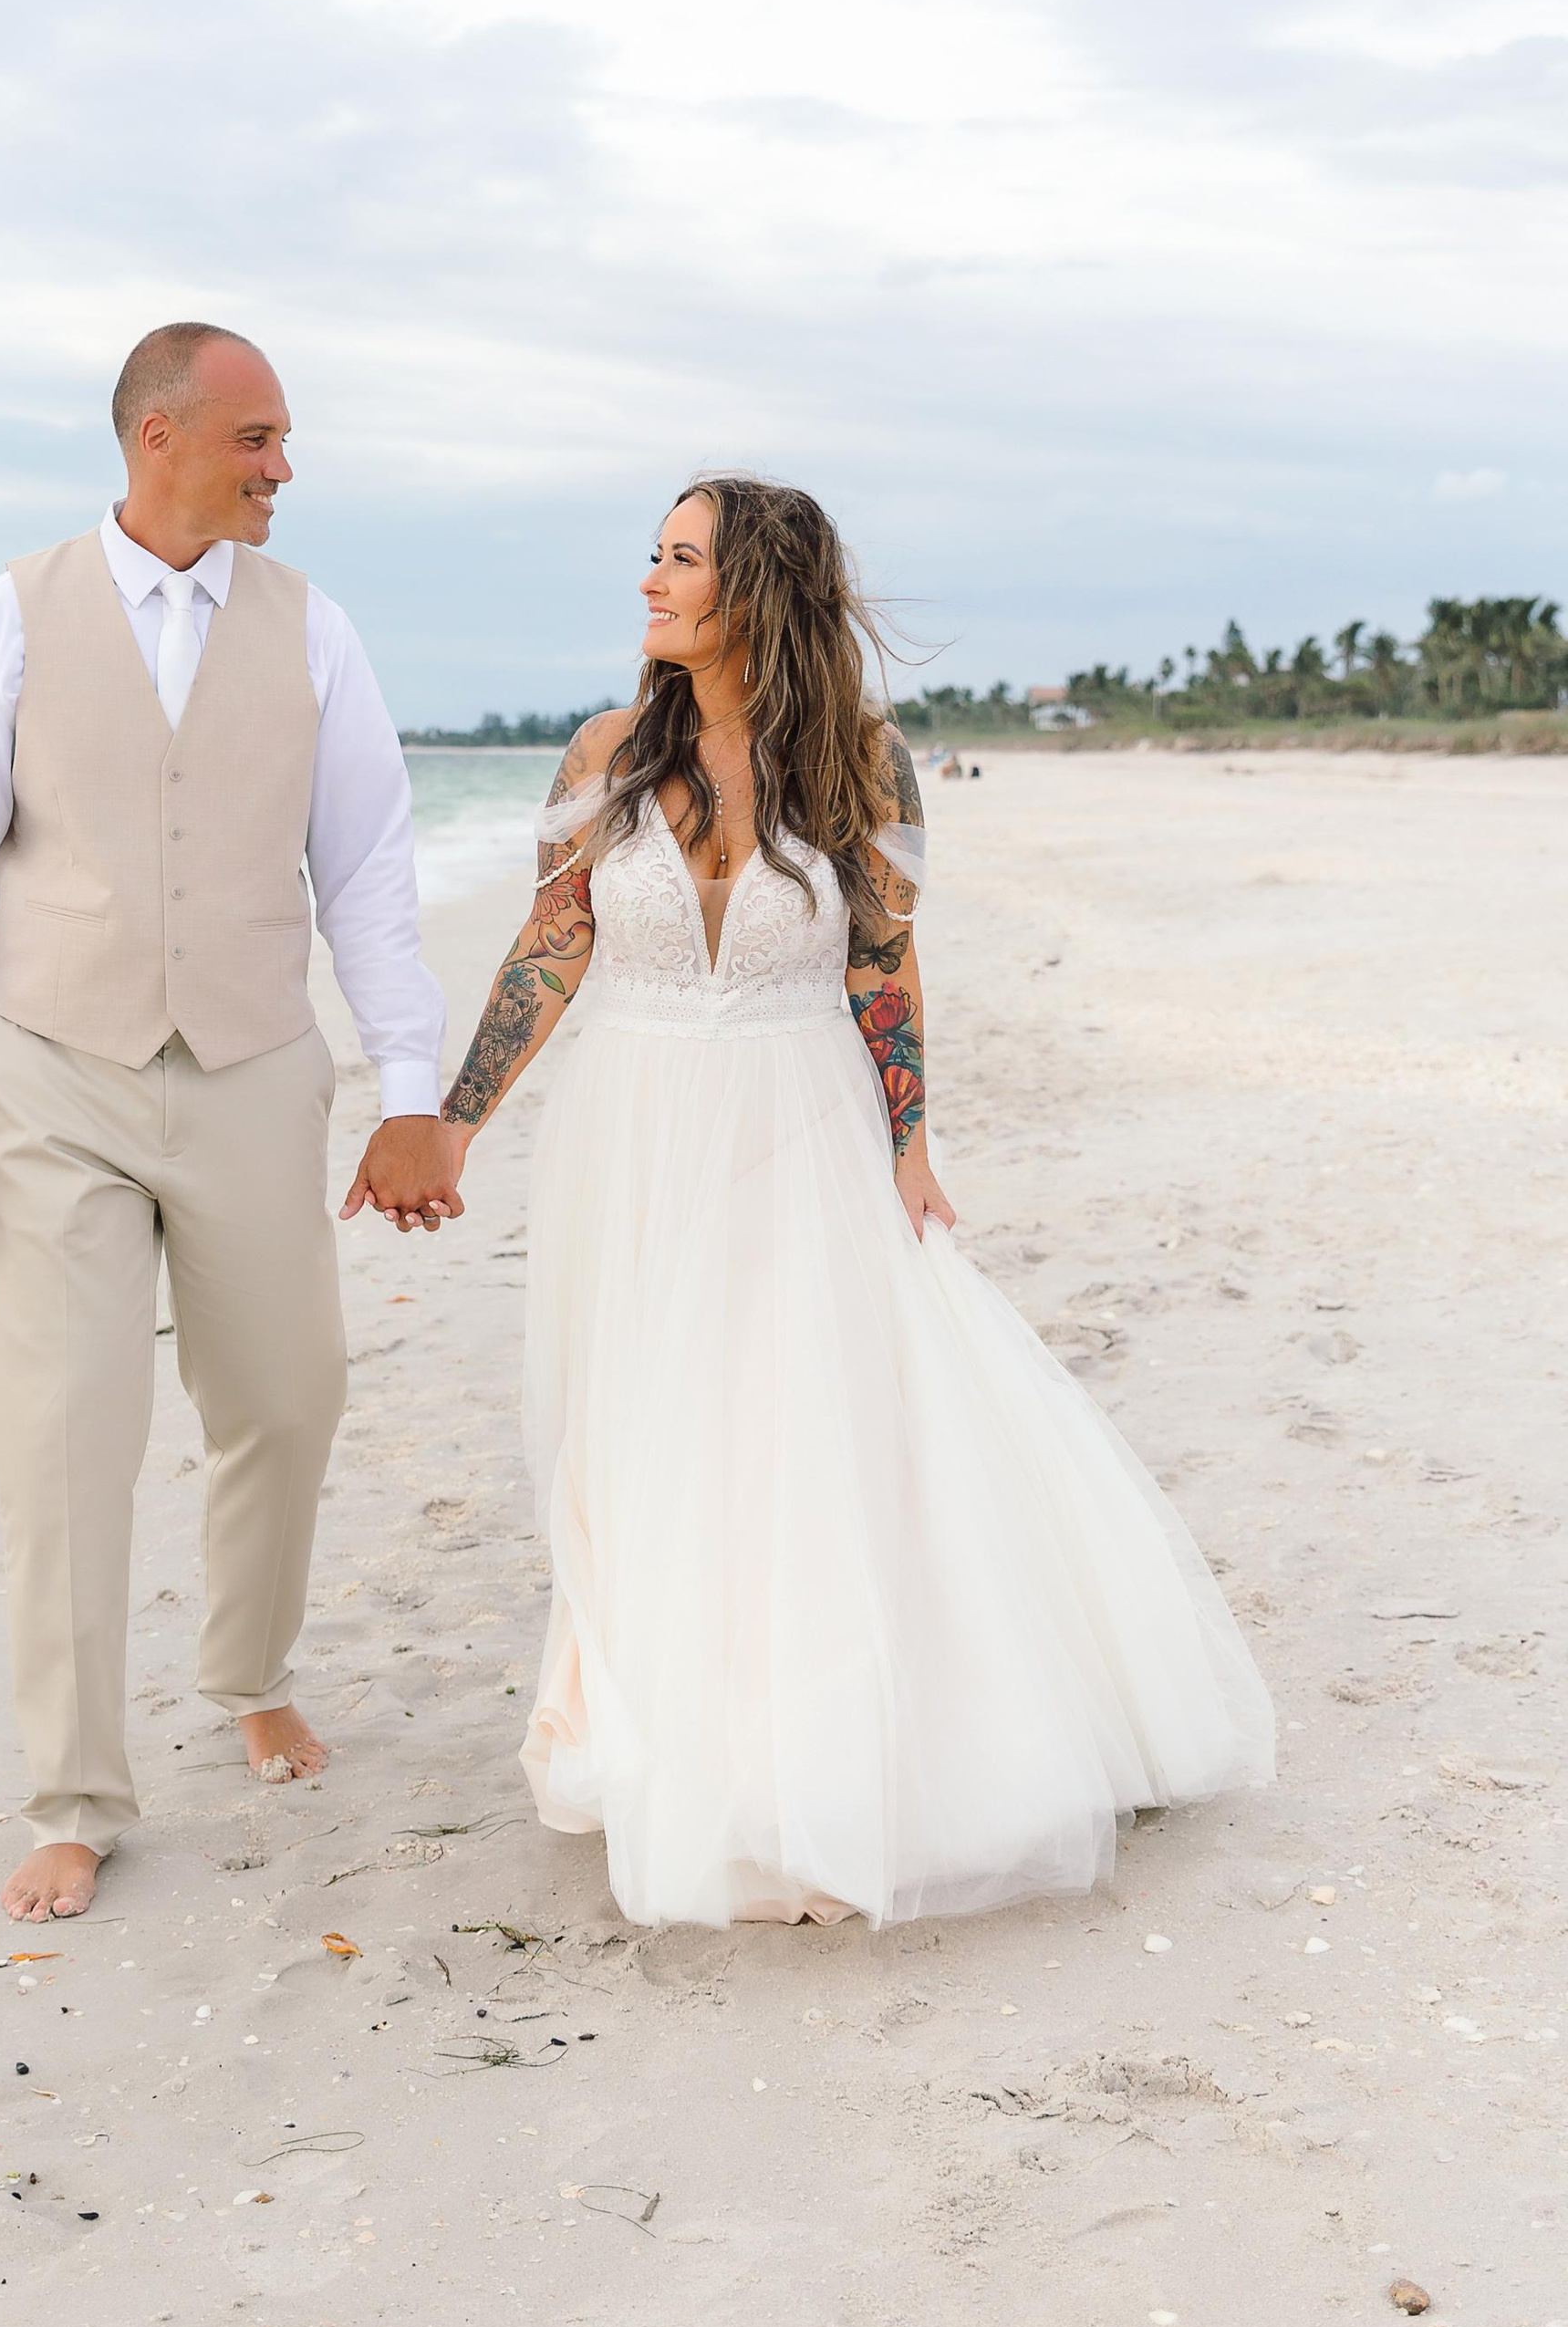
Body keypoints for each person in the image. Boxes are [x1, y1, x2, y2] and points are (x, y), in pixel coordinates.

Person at [402, 475, 1272, 1929]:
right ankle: (653, 1726)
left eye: (679, 560)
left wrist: (911, 1141)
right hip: (632, 1131)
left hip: (800, 1122)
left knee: (792, 1426)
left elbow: (882, 964)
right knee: (648, 1425)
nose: (650, 583)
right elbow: (551, 947)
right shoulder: (609, 750)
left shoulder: (863, 760)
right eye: (654, 556)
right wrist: (455, 1124)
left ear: (754, 589)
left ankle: (805, 1749)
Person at [0, 323, 456, 1921]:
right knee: (64, 1432)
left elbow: (373, 878)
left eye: (284, 442)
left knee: (289, 1393)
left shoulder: (316, 633)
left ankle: (247, 1669)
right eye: (257, 438)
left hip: (257, 1065)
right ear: (158, 438)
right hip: (55, 1071)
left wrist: (415, 1090)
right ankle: (73, 1791)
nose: (281, 468)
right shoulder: (12, 618)